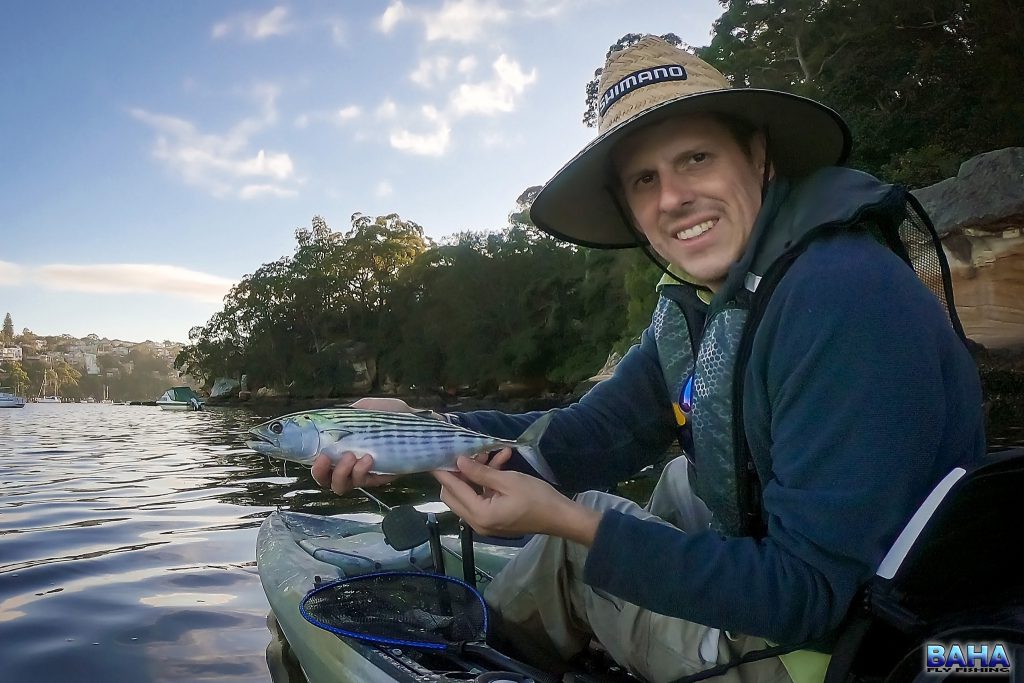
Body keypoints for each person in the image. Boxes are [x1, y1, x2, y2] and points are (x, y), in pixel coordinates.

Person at [312, 36, 985, 683]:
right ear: (630, 208)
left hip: (849, 653)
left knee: (576, 543)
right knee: (676, 485)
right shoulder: (702, 303)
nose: (671, 198)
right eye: (644, 178)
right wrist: (416, 430)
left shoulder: (840, 293)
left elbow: (806, 595)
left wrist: (569, 521)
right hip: (831, 610)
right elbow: (583, 437)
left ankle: (483, 655)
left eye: (696, 159)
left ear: (758, 155)